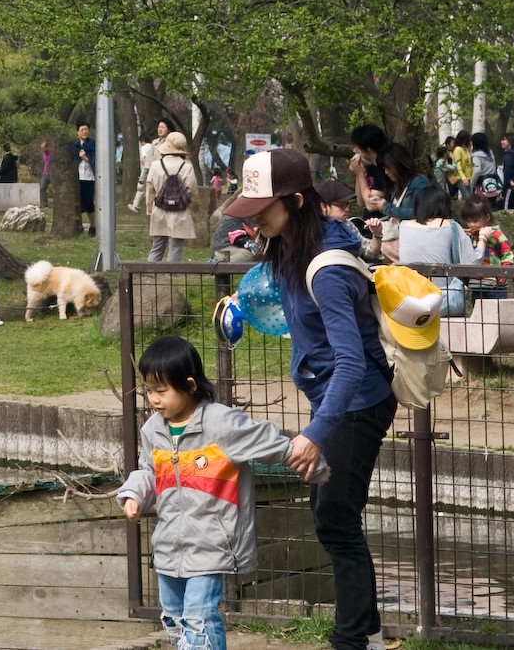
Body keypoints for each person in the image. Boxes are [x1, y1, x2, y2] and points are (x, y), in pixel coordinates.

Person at [234, 147, 395, 650]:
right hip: (332, 398)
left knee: (336, 518)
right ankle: (364, 631)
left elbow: (349, 362)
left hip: (355, 401)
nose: (254, 217)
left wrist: (315, 433)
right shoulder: (289, 247)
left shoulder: (325, 268)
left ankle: (351, 641)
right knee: (332, 515)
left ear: (296, 201)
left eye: (262, 207)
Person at [116, 335, 317, 650]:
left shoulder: (221, 424)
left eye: (161, 391)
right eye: (148, 391)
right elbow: (149, 473)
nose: (153, 399)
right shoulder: (152, 429)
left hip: (213, 542)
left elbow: (270, 442)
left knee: (199, 617)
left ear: (190, 385)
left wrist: (316, 466)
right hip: (170, 543)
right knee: (174, 618)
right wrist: (134, 496)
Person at [392, 188, 472, 316]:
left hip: (411, 301)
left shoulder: (404, 226)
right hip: (444, 302)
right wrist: (483, 239)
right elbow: (471, 262)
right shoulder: (451, 225)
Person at [141, 130, 200, 263]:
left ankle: (151, 270)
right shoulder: (187, 167)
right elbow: (192, 190)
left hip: (160, 209)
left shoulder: (156, 166)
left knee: (157, 246)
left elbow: (150, 190)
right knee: (176, 246)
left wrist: (149, 209)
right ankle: (172, 275)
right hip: (180, 211)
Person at [74, 123, 97, 227]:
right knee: (77, 202)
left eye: (86, 129)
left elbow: (95, 159)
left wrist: (85, 158)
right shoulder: (74, 144)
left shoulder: (93, 144)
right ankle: (79, 225)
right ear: (77, 132)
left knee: (89, 203)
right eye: (82, 129)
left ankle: (93, 225)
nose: (84, 132)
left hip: (89, 177)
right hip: (77, 177)